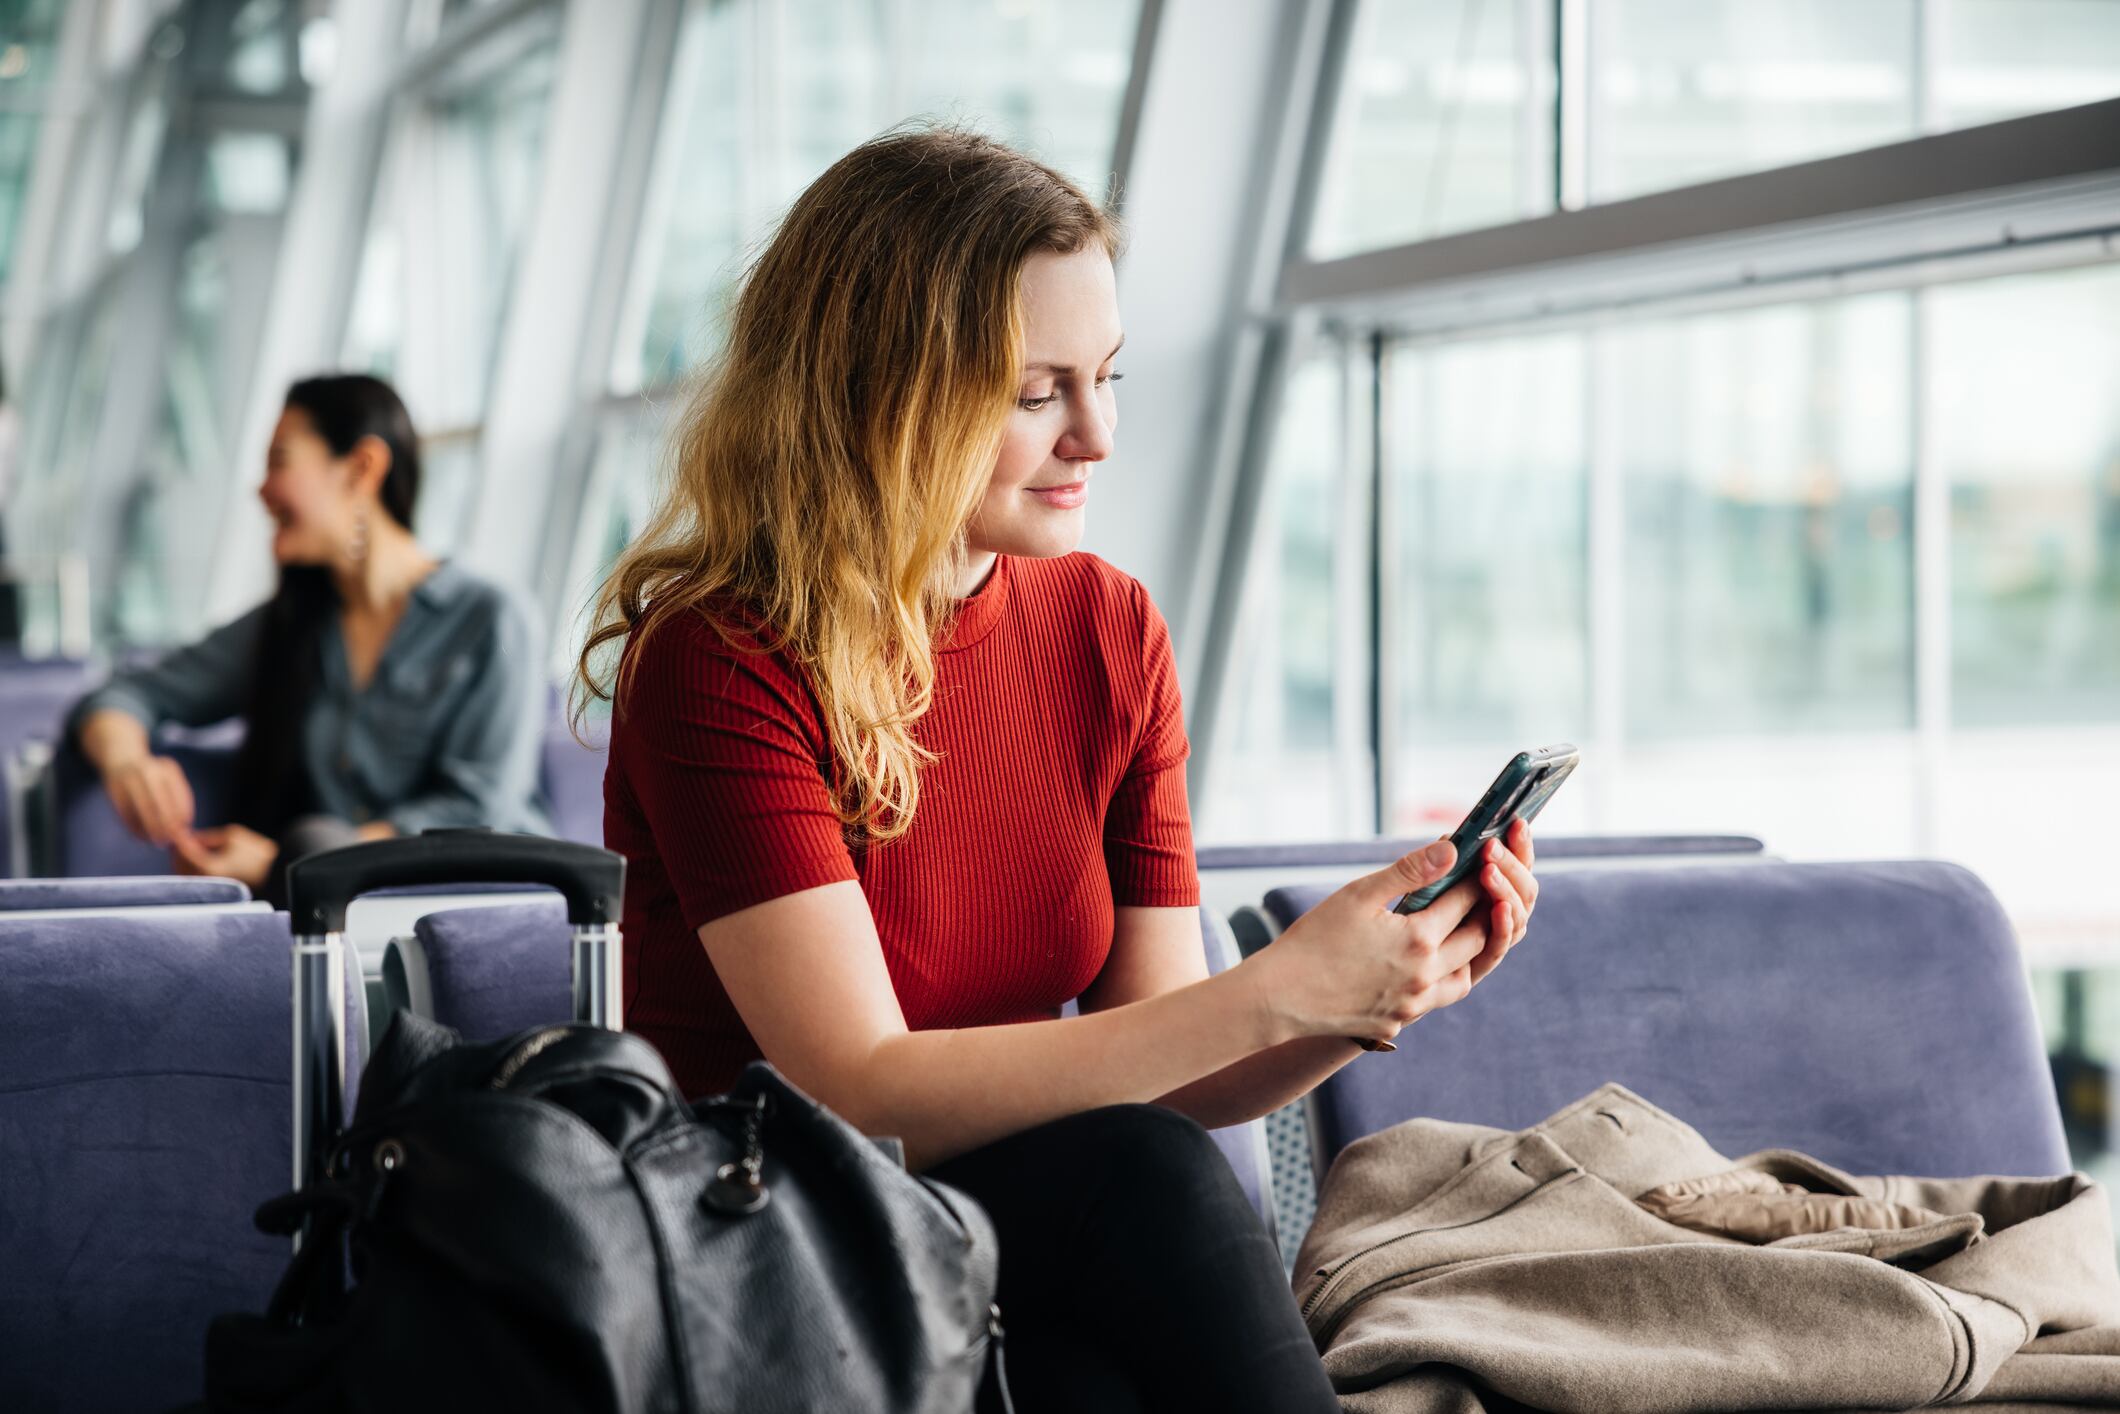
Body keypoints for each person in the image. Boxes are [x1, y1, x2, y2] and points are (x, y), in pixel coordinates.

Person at [579, 128, 1540, 1413]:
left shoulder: (1107, 628)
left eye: (1105, 376)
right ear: (881, 391)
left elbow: (1181, 1067)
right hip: (768, 1237)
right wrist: (1277, 988)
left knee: (1098, 1367)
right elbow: (853, 1091)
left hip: (1005, 1235)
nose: (1095, 435)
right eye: (1036, 393)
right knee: (1134, 1187)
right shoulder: (719, 655)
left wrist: (1364, 994)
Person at [69, 373, 549, 901]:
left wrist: (290, 862)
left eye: (279, 461)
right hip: (344, 928)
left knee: (312, 839)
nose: (261, 488)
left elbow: (478, 812)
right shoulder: (288, 625)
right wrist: (128, 764)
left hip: (484, 912)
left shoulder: (494, 618)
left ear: (361, 468)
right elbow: (118, 696)